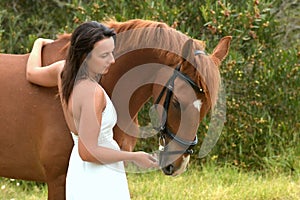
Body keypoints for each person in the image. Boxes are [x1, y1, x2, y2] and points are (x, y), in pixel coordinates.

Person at [26, 21, 158, 200]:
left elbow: (31, 73)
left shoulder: (62, 71)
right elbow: (88, 151)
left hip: (81, 171)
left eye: (112, 52)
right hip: (98, 176)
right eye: (104, 55)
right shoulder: (92, 93)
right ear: (84, 56)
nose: (112, 60)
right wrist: (134, 156)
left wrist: (38, 43)